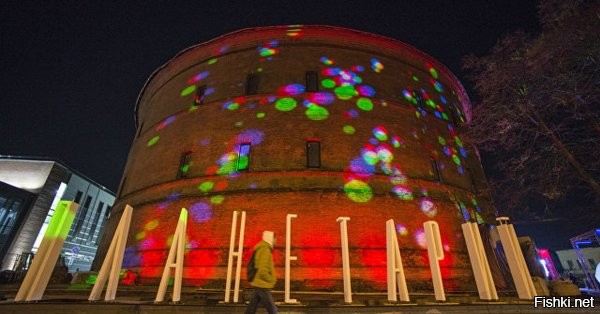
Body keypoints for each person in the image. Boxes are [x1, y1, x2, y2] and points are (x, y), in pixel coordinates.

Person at [245, 230, 277, 314]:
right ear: (270, 239)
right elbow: (262, 270)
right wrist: (271, 280)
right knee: (272, 309)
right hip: (262, 283)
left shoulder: (263, 248)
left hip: (258, 282)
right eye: (274, 239)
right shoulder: (265, 249)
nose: (275, 241)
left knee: (252, 307)